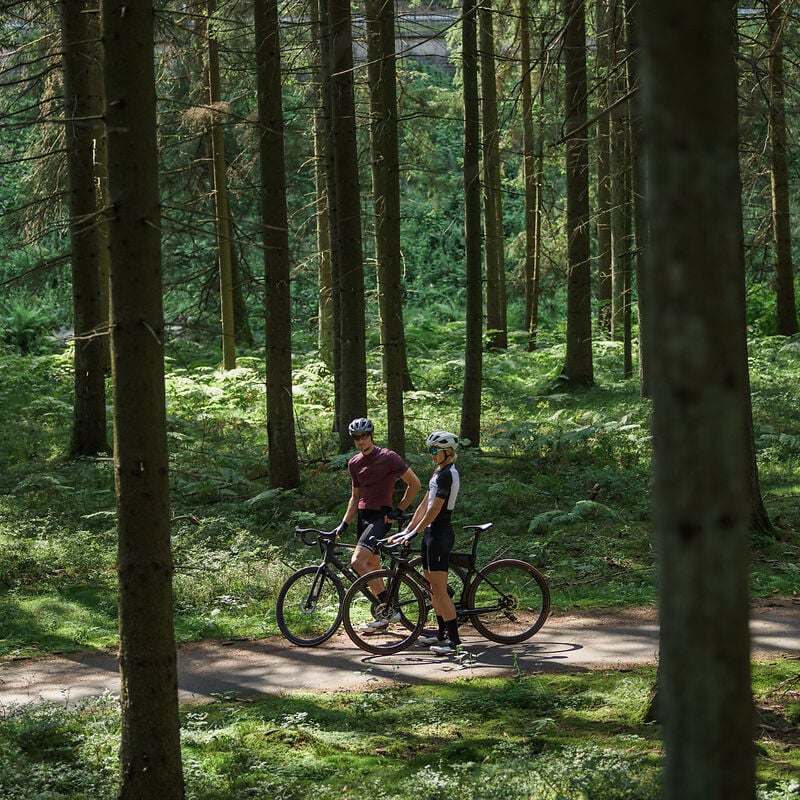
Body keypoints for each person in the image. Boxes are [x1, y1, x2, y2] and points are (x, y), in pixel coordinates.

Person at [334, 417, 421, 631]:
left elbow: (415, 484)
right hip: (363, 517)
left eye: (364, 436)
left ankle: (390, 608)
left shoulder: (388, 457)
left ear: (372, 435)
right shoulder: (354, 463)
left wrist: (399, 510)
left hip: (380, 518)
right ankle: (384, 614)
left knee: (357, 561)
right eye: (357, 438)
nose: (361, 441)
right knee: (372, 566)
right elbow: (355, 497)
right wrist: (344, 524)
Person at [388, 430, 462, 656]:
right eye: (429, 450)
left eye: (434, 451)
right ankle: (441, 633)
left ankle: (454, 641)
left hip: (440, 534)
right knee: (433, 589)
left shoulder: (448, 474)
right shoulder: (438, 472)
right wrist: (408, 530)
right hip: (431, 533)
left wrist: (414, 533)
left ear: (448, 452)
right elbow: (423, 505)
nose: (431, 455)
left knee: (440, 591)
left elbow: (434, 509)